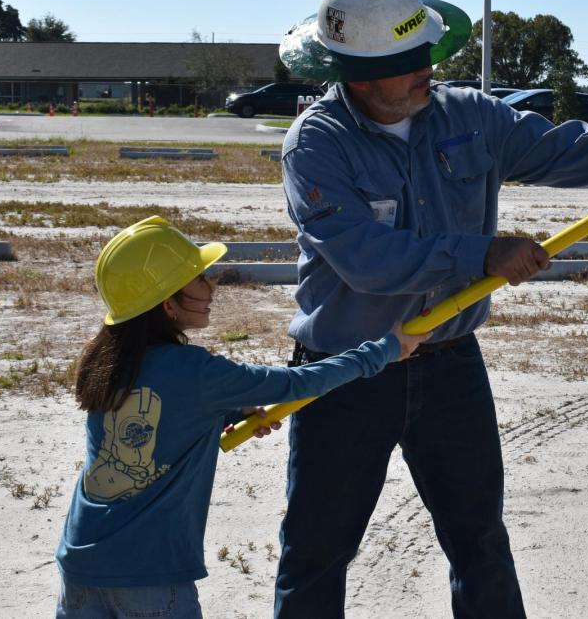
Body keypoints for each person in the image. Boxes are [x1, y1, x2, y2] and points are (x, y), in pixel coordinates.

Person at [273, 0, 588, 618]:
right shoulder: (317, 145)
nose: (430, 71)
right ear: (359, 74)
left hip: (448, 367)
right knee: (315, 555)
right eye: (412, 62)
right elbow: (366, 260)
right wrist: (482, 255)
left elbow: (585, 152)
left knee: (480, 544)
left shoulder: (469, 117)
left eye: (430, 54)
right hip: (346, 373)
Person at [54, 215, 428, 618]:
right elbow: (297, 383)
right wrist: (385, 350)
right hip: (149, 572)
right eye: (198, 279)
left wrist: (228, 409)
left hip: (81, 561)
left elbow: (160, 415)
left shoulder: (107, 361)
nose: (210, 286)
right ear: (167, 303)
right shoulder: (196, 372)